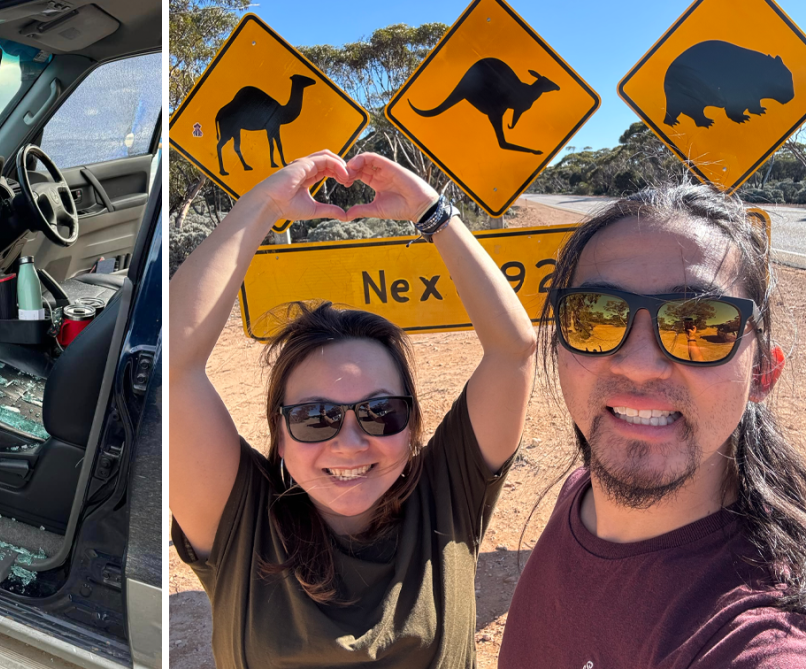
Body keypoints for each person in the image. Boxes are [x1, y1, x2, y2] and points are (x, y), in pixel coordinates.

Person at [169, 150, 537, 667]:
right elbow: (173, 366)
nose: (349, 442)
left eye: (380, 412)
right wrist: (266, 203)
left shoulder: (448, 495)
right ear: (278, 429)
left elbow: (513, 350)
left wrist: (430, 211)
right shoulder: (241, 522)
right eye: (315, 418)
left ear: (411, 426)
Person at [499, 185, 806, 666]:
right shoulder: (580, 494)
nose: (640, 365)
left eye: (701, 324)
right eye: (595, 316)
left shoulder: (760, 637)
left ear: (764, 372)